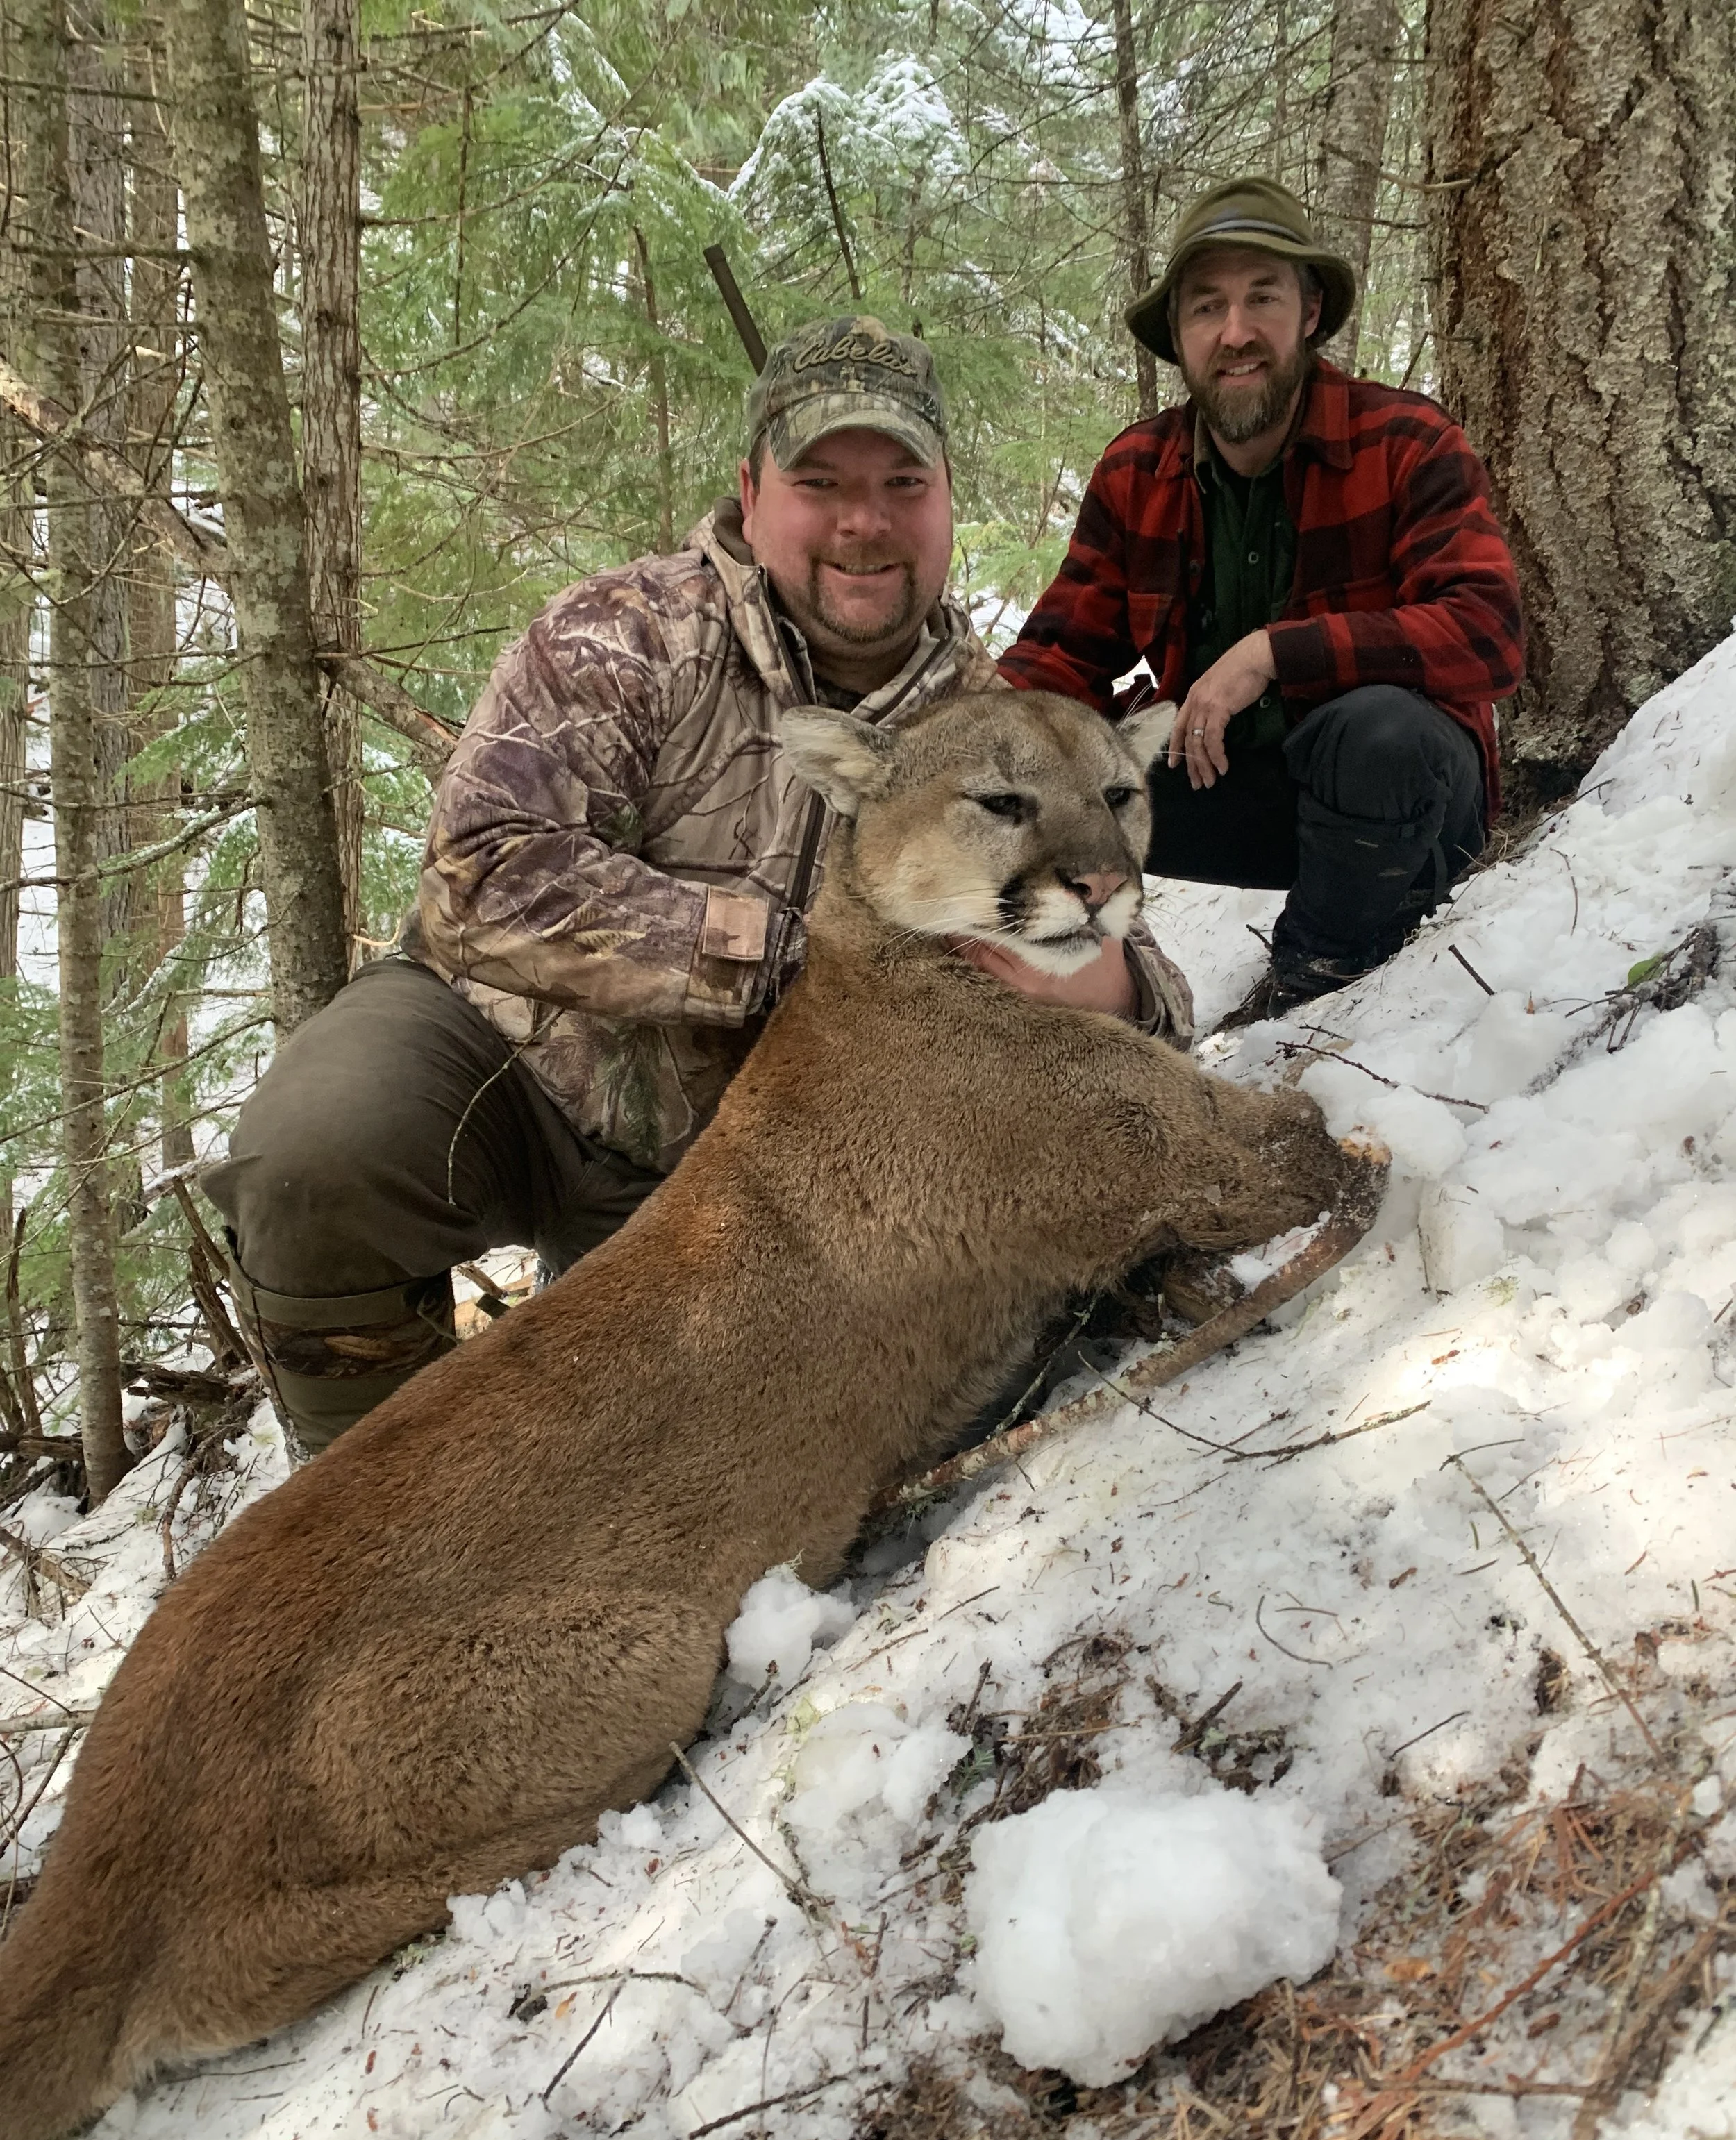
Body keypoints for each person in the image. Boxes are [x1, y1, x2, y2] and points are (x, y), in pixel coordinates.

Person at [202, 315, 1193, 1455]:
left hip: (745, 1166)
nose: (864, 520)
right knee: (315, 1156)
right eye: (821, 480)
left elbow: (1140, 968)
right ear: (752, 489)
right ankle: (372, 1530)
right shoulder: (624, 634)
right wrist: (782, 951)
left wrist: (1115, 993)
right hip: (515, 1061)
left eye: (901, 482)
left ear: (945, 499)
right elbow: (482, 874)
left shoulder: (996, 725)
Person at [999, 175, 1526, 1014]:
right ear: (1177, 334)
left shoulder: (1405, 442)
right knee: (1063, 771)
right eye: (1206, 307)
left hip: (1408, 806)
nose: (1235, 333)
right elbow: (1062, 652)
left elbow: (1487, 633)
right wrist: (954, 739)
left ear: (1309, 312)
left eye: (1262, 299)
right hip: (1240, 796)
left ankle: (1315, 985)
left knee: (1377, 733)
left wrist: (1276, 653)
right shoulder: (1138, 470)